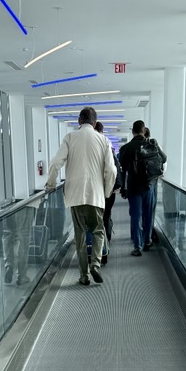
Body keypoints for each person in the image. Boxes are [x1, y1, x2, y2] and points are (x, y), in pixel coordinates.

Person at [45, 106, 116, 285]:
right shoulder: (104, 140)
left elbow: (55, 163)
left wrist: (51, 184)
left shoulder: (70, 137)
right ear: (94, 122)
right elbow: (111, 170)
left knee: (80, 236)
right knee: (99, 231)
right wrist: (106, 192)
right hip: (95, 195)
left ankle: (84, 276)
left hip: (75, 195)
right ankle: (96, 264)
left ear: (79, 121)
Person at [119, 120, 154, 256]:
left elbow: (122, 170)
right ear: (143, 130)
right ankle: (147, 240)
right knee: (148, 214)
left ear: (133, 131)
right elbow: (163, 159)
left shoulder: (125, 148)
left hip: (133, 187)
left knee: (135, 215)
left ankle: (137, 246)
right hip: (149, 186)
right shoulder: (151, 145)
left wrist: (122, 187)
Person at [94, 121, 121, 264]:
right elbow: (113, 169)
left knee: (96, 220)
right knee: (106, 217)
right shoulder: (108, 145)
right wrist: (110, 189)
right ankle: (106, 245)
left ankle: (97, 250)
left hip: (95, 190)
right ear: (103, 131)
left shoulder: (93, 146)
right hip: (108, 190)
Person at [143, 126, 167, 240]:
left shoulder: (139, 147)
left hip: (140, 182)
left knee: (141, 208)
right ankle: (149, 233)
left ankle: (143, 232)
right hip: (153, 181)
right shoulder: (155, 146)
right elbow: (164, 160)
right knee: (151, 207)